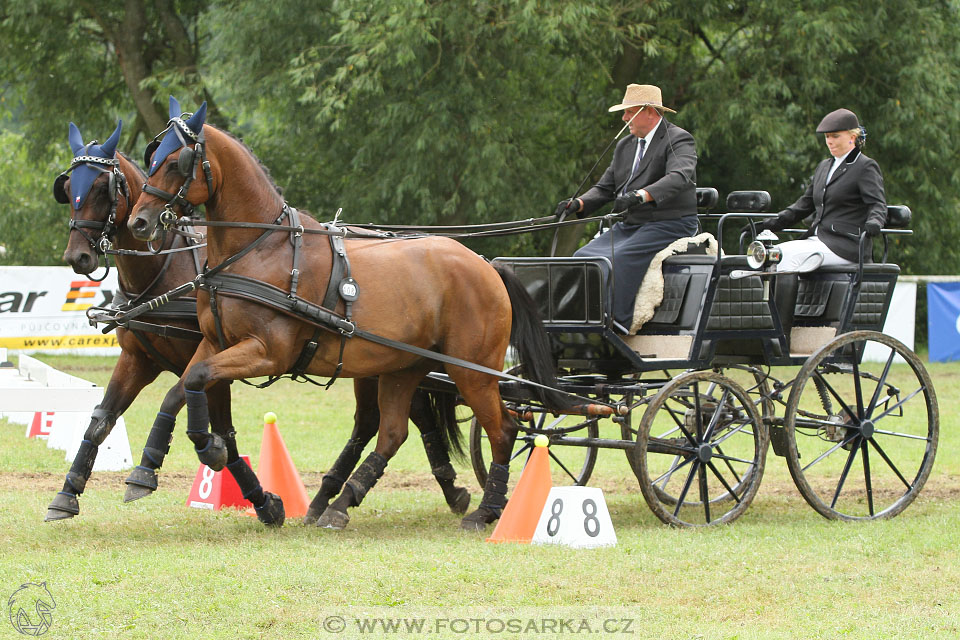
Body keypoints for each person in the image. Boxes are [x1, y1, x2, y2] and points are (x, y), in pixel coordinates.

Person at [554, 84, 699, 331]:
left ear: (649, 112)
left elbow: (679, 176)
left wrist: (641, 195)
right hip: (632, 225)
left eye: (628, 112)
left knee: (616, 258)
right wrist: (578, 203)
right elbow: (604, 189)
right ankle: (580, 320)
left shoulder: (678, 139)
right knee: (583, 257)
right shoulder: (626, 146)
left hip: (669, 223)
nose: (623, 118)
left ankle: (615, 323)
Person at [762, 108, 887, 271]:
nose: (830, 141)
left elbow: (877, 203)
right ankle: (780, 297)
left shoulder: (865, 166)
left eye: (835, 136)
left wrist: (875, 221)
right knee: (768, 255)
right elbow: (804, 205)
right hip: (818, 238)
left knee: (785, 255)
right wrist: (770, 224)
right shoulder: (824, 167)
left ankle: (782, 298)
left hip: (846, 245)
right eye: (827, 137)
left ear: (852, 136)